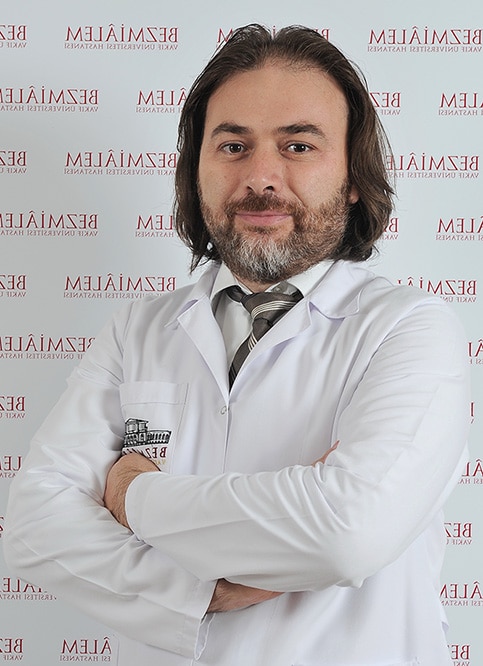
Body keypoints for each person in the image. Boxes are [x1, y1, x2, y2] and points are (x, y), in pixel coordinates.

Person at [4, 24, 470, 666]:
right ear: (196, 170)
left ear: (353, 178)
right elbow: (35, 526)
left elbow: (346, 532)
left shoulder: (410, 328)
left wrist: (132, 495)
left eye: (298, 146)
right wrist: (196, 594)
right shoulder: (138, 329)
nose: (261, 176)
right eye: (233, 145)